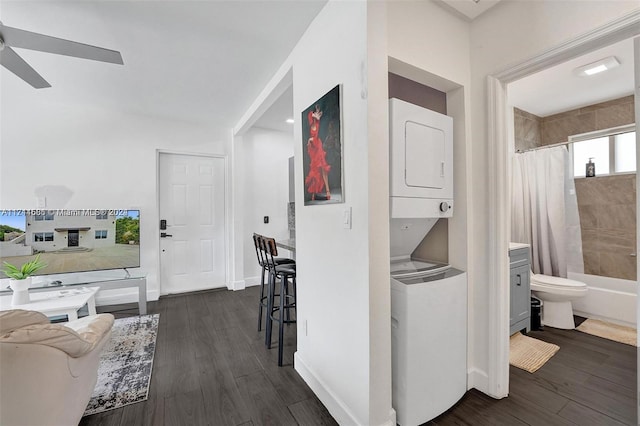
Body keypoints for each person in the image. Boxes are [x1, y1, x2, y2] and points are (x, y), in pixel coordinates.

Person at [305, 105, 330, 200]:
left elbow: (318, 115)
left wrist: (317, 113)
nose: (317, 113)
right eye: (315, 112)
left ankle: (327, 191)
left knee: (323, 167)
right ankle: (313, 193)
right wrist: (310, 140)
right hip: (313, 148)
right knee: (314, 170)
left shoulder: (317, 122)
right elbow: (312, 114)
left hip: (317, 145)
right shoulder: (311, 120)